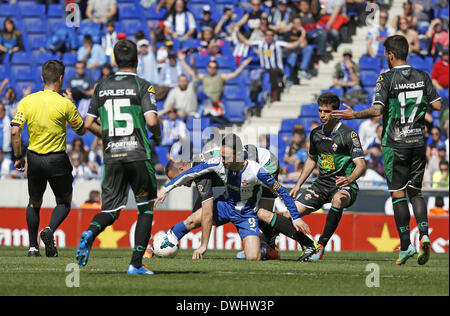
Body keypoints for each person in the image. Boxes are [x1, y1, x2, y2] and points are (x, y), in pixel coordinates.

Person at [332, 35, 442, 266]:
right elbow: (438, 105)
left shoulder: (387, 77)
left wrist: (354, 115)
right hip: (418, 143)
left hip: (395, 144)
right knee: (417, 192)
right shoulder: (423, 76)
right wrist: (419, 106)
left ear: (390, 55)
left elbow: (375, 110)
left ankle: (405, 246)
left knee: (398, 194)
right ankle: (424, 234)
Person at [154, 134, 317, 261]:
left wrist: (295, 217)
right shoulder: (216, 163)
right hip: (227, 204)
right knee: (193, 219)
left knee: (263, 215)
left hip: (267, 167)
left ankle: (282, 245)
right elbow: (192, 175)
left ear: (238, 155)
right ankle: (163, 242)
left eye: (225, 157)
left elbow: (281, 190)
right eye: (222, 156)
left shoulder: (256, 170)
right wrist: (166, 189)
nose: (222, 160)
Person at [75, 39, 162, 276]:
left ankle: (91, 232)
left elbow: (87, 124)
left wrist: (105, 134)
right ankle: (135, 264)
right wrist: (158, 133)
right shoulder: (143, 85)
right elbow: (152, 121)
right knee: (145, 209)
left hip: (112, 155)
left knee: (111, 210)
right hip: (137, 153)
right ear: (137, 59)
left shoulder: (101, 87)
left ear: (115, 61)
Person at [10, 60, 87, 257]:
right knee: (64, 202)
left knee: (34, 202)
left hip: (34, 158)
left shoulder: (27, 101)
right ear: (61, 79)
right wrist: (71, 104)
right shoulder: (64, 104)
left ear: (42, 78)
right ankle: (50, 230)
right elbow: (81, 129)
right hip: (57, 159)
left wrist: (18, 157)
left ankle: (32, 247)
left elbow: (14, 131)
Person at [290, 92, 367, 261]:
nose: (322, 115)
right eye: (320, 111)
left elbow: (361, 165)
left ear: (336, 112)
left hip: (343, 184)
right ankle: (271, 244)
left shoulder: (348, 134)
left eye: (326, 111)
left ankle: (320, 245)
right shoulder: (316, 134)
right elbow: (311, 160)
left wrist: (350, 179)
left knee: (338, 199)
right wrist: (298, 185)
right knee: (290, 215)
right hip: (321, 184)